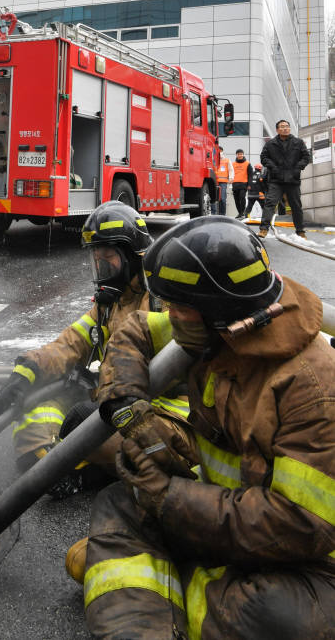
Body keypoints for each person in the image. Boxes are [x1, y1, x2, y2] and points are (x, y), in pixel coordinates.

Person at [79, 216, 335, 640]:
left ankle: (166, 583)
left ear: (221, 310)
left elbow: (301, 527)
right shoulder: (218, 333)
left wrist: (171, 497)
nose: (170, 317)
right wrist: (131, 409)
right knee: (119, 501)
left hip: (306, 561)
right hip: (221, 517)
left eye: (180, 308)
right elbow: (135, 330)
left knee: (275, 615)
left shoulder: (311, 389)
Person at [0, 202, 190, 493]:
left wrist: (101, 400)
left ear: (132, 257)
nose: (102, 269)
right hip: (110, 400)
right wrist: (27, 371)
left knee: (95, 426)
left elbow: (154, 366)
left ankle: (87, 474)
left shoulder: (163, 303)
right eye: (97, 261)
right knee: (35, 409)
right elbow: (71, 342)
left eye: (108, 260)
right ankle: (52, 467)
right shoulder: (111, 303)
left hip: (161, 408)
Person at [258, 119, 310, 239]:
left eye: (287, 126)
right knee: (270, 203)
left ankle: (300, 231)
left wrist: (298, 168)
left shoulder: (298, 142)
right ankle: (263, 229)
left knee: (296, 205)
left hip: (293, 179)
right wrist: (273, 168)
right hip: (276, 180)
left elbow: (306, 157)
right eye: (282, 126)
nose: (285, 128)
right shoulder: (271, 143)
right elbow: (264, 158)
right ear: (277, 130)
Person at [210, 146, 233, 215]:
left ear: (222, 151)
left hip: (223, 182)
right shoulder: (212, 160)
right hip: (213, 182)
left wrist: (231, 178)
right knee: (213, 199)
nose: (219, 152)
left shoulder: (227, 160)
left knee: (222, 199)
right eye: (218, 151)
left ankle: (222, 214)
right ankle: (213, 214)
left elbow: (231, 169)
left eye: (220, 151)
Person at [231, 148, 252, 218]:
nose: (240, 155)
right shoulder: (233, 164)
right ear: (236, 155)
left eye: (241, 154)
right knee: (236, 200)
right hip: (235, 184)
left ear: (243, 155)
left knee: (242, 198)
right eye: (238, 154)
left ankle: (242, 211)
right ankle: (240, 212)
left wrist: (249, 184)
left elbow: (250, 175)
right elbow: (231, 173)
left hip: (243, 184)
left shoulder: (247, 163)